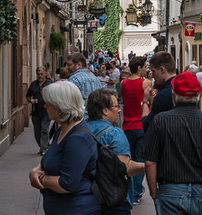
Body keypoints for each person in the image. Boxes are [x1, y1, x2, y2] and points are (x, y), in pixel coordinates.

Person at [142, 71, 202, 215]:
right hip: (201, 192)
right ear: (197, 97)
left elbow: (150, 162)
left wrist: (154, 193)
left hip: (170, 191)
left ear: (173, 96)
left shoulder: (160, 121)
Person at [29, 81, 99, 215]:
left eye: (48, 104)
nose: (45, 106)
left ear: (59, 108)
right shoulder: (62, 129)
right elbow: (52, 158)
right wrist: (36, 170)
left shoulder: (78, 138)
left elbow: (67, 184)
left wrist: (41, 178)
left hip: (77, 209)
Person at [86, 88, 146, 215]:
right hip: (111, 198)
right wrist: (147, 166)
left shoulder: (82, 128)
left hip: (87, 196)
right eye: (116, 106)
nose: (119, 110)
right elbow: (124, 167)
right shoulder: (114, 133)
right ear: (105, 110)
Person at [122, 56, 152, 204]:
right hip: (141, 125)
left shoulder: (123, 83)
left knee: (130, 160)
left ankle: (130, 191)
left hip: (127, 126)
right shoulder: (146, 83)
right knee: (140, 161)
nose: (147, 69)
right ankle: (136, 192)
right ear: (139, 68)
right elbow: (150, 102)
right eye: (145, 67)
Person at [142, 51, 178, 131]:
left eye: (153, 71)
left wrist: (145, 102)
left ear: (162, 70)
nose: (153, 75)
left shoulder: (162, 96)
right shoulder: (185, 88)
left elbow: (148, 125)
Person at [27, 66, 52, 155]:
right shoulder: (33, 84)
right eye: (38, 74)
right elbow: (28, 96)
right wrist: (31, 100)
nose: (40, 76)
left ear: (45, 74)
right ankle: (42, 145)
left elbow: (53, 96)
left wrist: (49, 103)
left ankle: (43, 149)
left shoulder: (50, 84)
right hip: (35, 112)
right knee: (37, 131)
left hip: (46, 112)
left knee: (44, 129)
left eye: (42, 74)